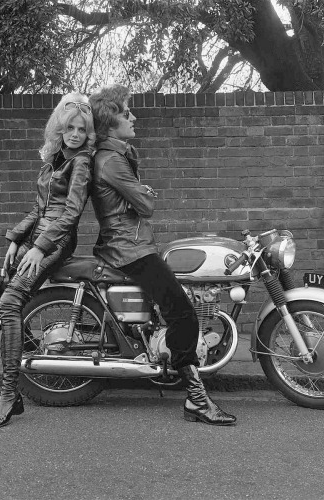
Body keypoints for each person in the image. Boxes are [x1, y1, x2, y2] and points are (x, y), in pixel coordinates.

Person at [89, 84, 236, 426]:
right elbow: (147, 205)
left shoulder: (116, 156)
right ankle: (196, 400)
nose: (133, 117)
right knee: (183, 314)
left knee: (174, 305)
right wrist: (141, 194)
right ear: (111, 122)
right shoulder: (112, 161)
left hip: (131, 243)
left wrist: (138, 195)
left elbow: (140, 201)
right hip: (128, 249)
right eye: (127, 113)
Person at [0, 93, 95, 429]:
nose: (75, 133)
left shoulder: (81, 163)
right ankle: (14, 384)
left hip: (58, 242)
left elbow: (71, 214)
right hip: (37, 239)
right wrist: (16, 240)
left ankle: (8, 394)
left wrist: (40, 247)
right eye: (69, 127)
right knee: (8, 303)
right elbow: (38, 209)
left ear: (88, 132)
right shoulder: (53, 160)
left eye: (81, 128)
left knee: (10, 300)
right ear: (59, 129)